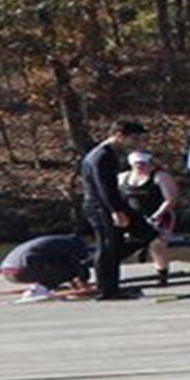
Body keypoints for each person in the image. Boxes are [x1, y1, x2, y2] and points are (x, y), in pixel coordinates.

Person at [80, 120, 148, 300]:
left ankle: (92, 264)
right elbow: (104, 187)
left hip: (111, 203)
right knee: (108, 245)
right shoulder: (101, 155)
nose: (138, 143)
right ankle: (107, 290)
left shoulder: (110, 153)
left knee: (146, 232)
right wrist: (116, 211)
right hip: (100, 206)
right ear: (119, 135)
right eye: (134, 139)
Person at [119, 150, 179, 286]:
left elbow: (171, 198)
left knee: (157, 244)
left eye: (143, 163)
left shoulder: (160, 176)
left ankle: (162, 275)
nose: (140, 166)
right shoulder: (123, 178)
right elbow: (117, 198)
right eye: (136, 164)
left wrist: (157, 215)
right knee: (124, 244)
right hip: (134, 217)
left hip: (160, 215)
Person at [0, 234, 93, 300]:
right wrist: (83, 280)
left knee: (55, 262)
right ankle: (41, 288)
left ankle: (44, 284)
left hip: (6, 272)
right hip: (23, 271)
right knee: (70, 270)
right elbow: (79, 264)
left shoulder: (59, 241)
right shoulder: (75, 246)